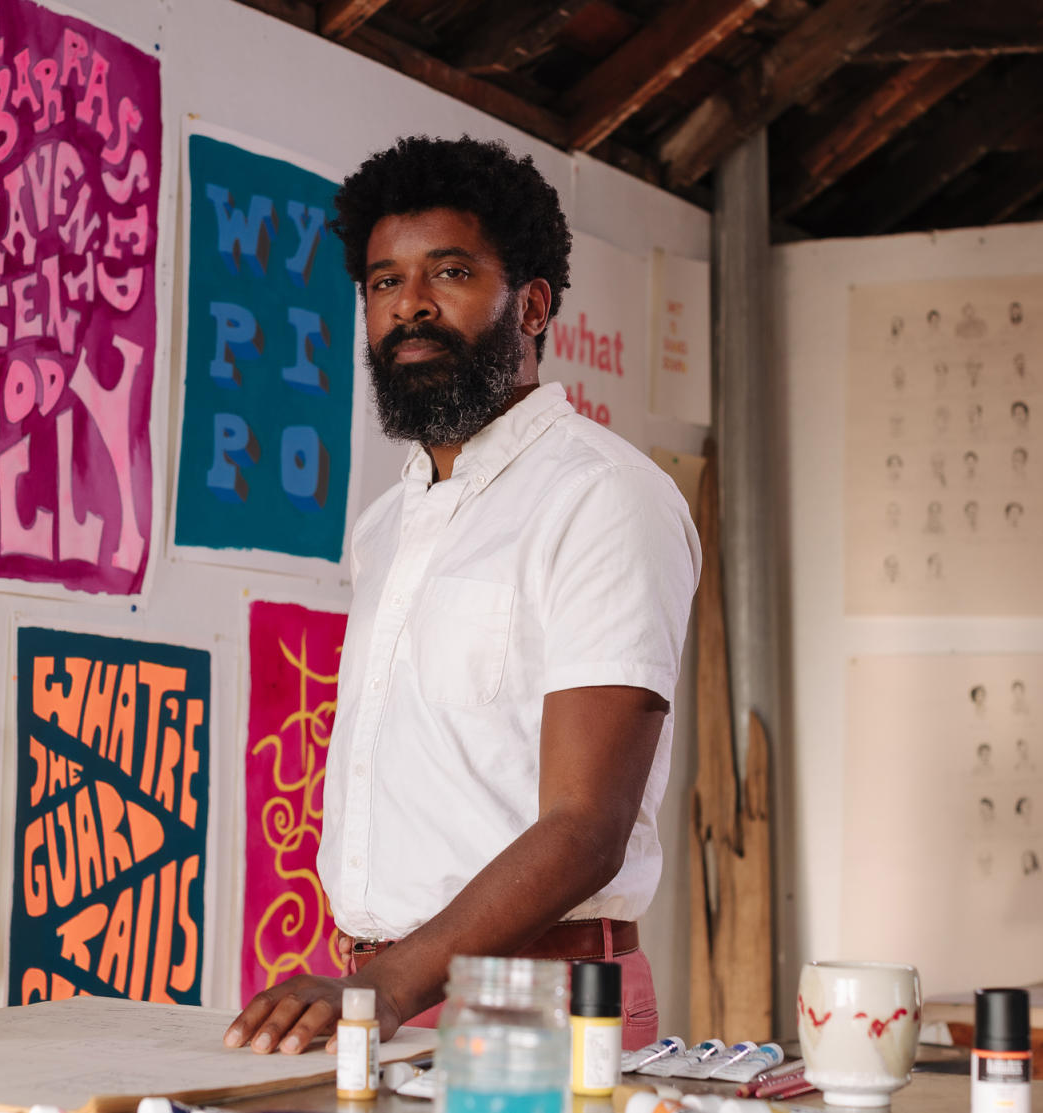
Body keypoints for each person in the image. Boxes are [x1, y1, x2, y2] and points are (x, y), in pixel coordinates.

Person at [224, 136, 700, 1056]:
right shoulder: (385, 525)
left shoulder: (603, 496)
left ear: (531, 304)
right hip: (387, 995)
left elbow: (583, 829)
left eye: (449, 272)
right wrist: (375, 990)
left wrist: (381, 992)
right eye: (382, 283)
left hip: (541, 1004)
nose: (410, 306)